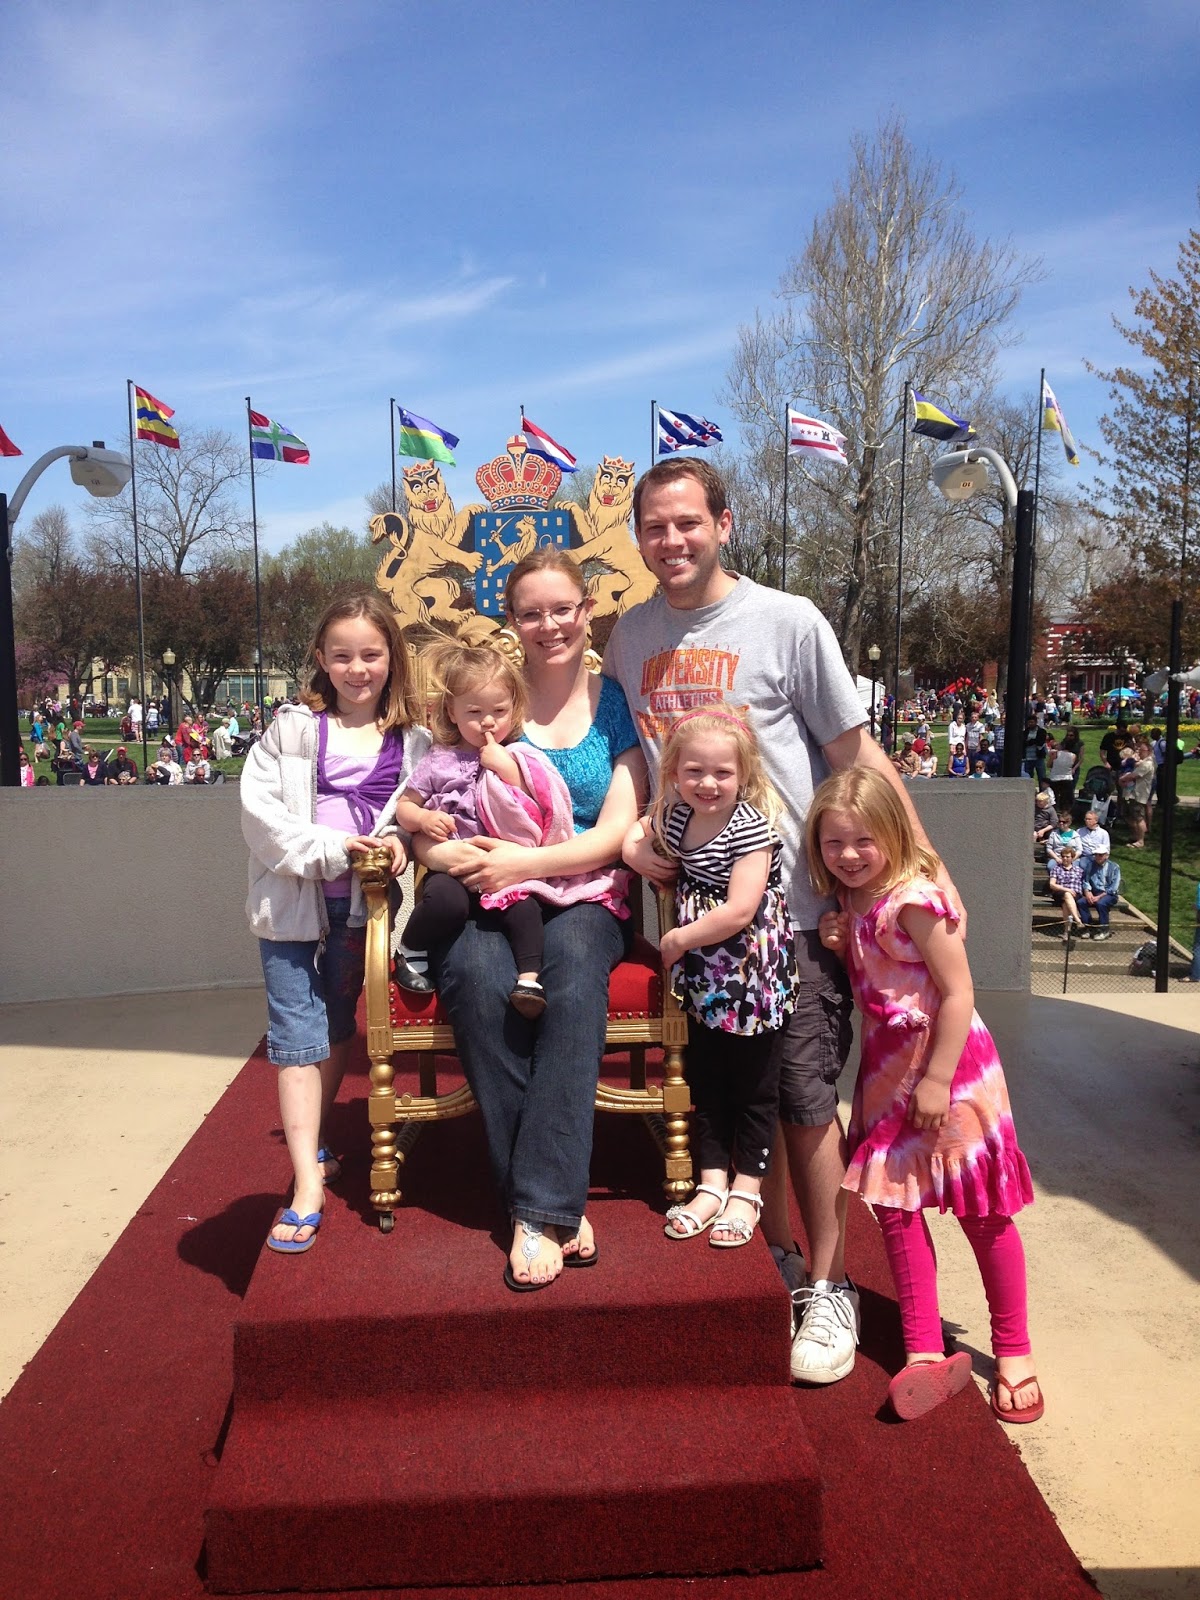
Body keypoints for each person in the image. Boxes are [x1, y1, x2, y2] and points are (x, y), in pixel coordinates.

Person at [605, 455, 964, 1388]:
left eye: (688, 522)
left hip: (794, 917)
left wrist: (924, 859)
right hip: (700, 930)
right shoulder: (630, 636)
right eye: (655, 526)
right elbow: (640, 758)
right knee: (739, 1100)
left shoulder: (787, 620)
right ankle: (779, 1257)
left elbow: (854, 751)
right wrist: (634, 834)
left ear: (724, 524)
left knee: (803, 1100)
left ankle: (832, 1286)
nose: (672, 540)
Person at [421, 547, 646, 1290]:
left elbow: (616, 830)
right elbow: (431, 801)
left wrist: (526, 864)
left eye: (562, 609)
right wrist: (447, 854)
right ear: (512, 621)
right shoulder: (488, 697)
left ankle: (536, 1207)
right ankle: (548, 1203)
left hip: (588, 891)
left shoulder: (613, 703)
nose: (549, 625)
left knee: (573, 977)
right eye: (531, 613)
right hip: (491, 889)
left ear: (587, 612)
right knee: (474, 974)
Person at [808, 767, 1040, 1423]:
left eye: (863, 841)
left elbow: (959, 992)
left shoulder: (914, 900)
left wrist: (937, 1079)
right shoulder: (849, 900)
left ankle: (1014, 1350)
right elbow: (879, 983)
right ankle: (922, 1348)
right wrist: (840, 942)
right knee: (896, 1208)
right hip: (888, 1077)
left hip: (952, 1072)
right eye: (833, 843)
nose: (849, 855)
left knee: (982, 1211)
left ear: (892, 832)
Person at [240, 591, 429, 1255]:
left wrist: (402, 843)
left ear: (391, 658)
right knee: (296, 1034)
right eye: (342, 655)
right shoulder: (291, 731)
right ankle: (305, 1187)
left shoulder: (414, 742)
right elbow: (261, 818)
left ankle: (315, 1142)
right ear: (321, 658)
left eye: (371, 654)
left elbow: (415, 815)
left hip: (363, 913)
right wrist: (334, 849)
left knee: (337, 1022)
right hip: (290, 908)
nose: (357, 668)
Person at [624, 705, 796, 1249]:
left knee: (754, 1085)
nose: (708, 783)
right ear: (674, 772)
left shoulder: (751, 830)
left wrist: (677, 939)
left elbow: (740, 909)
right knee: (709, 1077)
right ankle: (712, 1181)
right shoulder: (677, 816)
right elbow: (641, 829)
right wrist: (633, 850)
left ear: (743, 774)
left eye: (722, 772)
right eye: (694, 770)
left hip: (751, 974)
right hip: (706, 977)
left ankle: (747, 1189)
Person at [394, 640, 627, 1020]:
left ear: (514, 710)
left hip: (509, 868)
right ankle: (409, 948)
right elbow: (405, 806)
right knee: (447, 905)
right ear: (451, 712)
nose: (488, 722)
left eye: (499, 711)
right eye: (474, 712)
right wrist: (422, 820)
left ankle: (528, 980)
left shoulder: (520, 754)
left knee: (525, 910)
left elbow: (538, 806)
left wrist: (506, 769)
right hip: (455, 864)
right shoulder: (439, 760)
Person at [1118, 738, 1154, 848]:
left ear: (1148, 751)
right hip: (1130, 794)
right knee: (1128, 815)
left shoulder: (1147, 764)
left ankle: (1140, 840)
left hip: (1138, 795)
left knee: (1138, 817)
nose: (1139, 752)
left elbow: (1134, 775)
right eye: (1138, 749)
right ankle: (1135, 835)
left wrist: (1121, 779)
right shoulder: (1139, 762)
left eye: (1141, 750)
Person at [1078, 849, 1120, 939]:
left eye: (1101, 855)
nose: (1098, 857)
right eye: (1096, 855)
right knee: (1081, 902)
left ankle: (1104, 930)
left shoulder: (1114, 867)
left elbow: (1114, 887)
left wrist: (1099, 896)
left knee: (1101, 903)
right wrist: (1087, 892)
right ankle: (1088, 927)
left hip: (1109, 894)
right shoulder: (1090, 865)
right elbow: (1086, 881)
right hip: (1094, 892)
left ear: (1106, 856)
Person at [1046, 845, 1085, 940]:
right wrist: (1067, 889)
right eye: (1063, 856)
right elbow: (1052, 884)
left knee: (1066, 904)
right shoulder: (1056, 869)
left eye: (1067, 857)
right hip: (1060, 893)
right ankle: (1077, 920)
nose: (1065, 859)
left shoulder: (1079, 870)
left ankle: (1066, 932)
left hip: (1076, 894)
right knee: (1067, 895)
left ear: (1072, 858)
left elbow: (1084, 883)